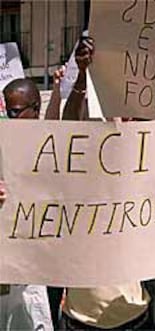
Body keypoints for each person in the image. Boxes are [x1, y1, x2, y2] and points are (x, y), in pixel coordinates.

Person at [0, 78, 53, 330]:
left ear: (35, 108)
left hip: (39, 273)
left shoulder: (55, 149)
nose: (9, 118)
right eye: (5, 111)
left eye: (14, 112)